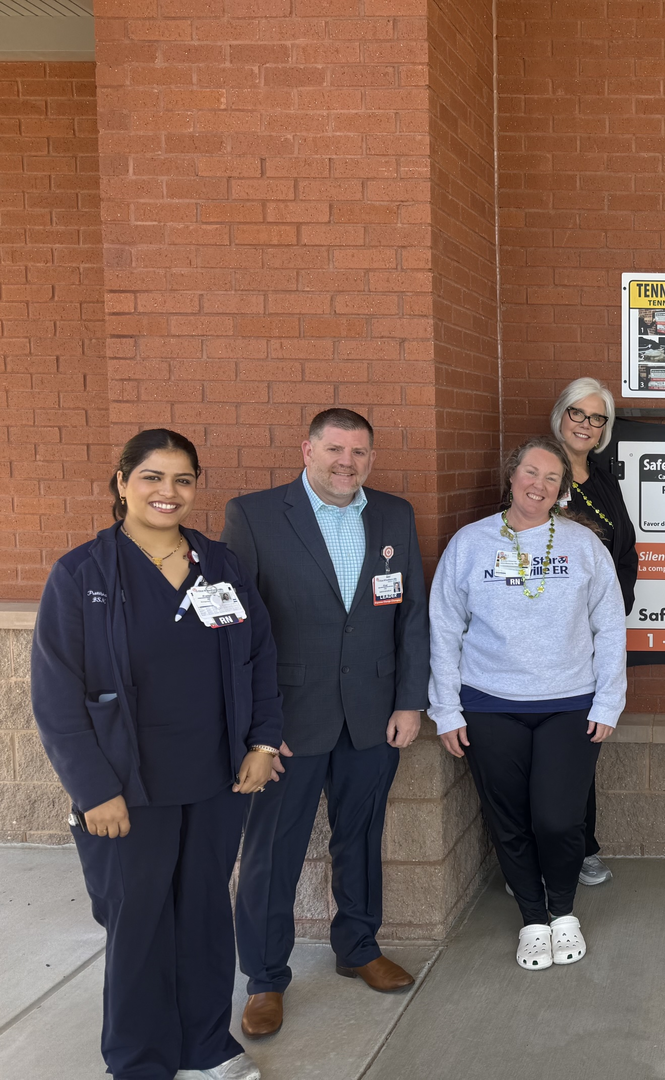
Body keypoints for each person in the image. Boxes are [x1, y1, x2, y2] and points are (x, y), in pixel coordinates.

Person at [31, 429, 283, 1080]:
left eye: (182, 480)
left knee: (202, 915)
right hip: (128, 789)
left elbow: (259, 657)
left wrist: (261, 740)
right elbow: (56, 694)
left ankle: (206, 1047)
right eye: (152, 477)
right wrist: (93, 790)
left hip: (214, 779)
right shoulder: (82, 574)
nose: (168, 493)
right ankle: (140, 1061)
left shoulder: (220, 566)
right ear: (122, 483)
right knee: (138, 925)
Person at [225, 408, 430, 1039]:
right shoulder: (255, 515)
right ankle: (264, 979)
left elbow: (411, 616)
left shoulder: (395, 514)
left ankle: (358, 948)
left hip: (372, 716)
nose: (348, 463)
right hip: (287, 721)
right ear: (307, 449)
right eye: (335, 449)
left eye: (360, 453)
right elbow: (236, 630)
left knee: (360, 838)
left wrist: (409, 701)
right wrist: (258, 726)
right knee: (270, 854)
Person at [429, 436, 626, 971]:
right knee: (509, 819)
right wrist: (446, 709)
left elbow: (609, 625)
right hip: (489, 704)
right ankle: (534, 920)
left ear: (561, 492)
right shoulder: (469, 544)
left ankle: (564, 911)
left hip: (569, 703)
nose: (539, 485)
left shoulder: (584, 546)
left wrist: (608, 700)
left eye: (552, 479)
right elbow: (445, 628)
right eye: (531, 473)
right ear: (511, 476)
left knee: (558, 819)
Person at [551, 377, 638, 888]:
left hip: (598, 632)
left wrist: (612, 610)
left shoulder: (602, 475)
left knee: (585, 740)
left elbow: (625, 551)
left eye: (596, 417)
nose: (585, 424)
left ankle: (583, 845)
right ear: (560, 415)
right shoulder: (540, 470)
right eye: (577, 414)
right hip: (553, 633)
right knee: (559, 742)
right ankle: (564, 848)